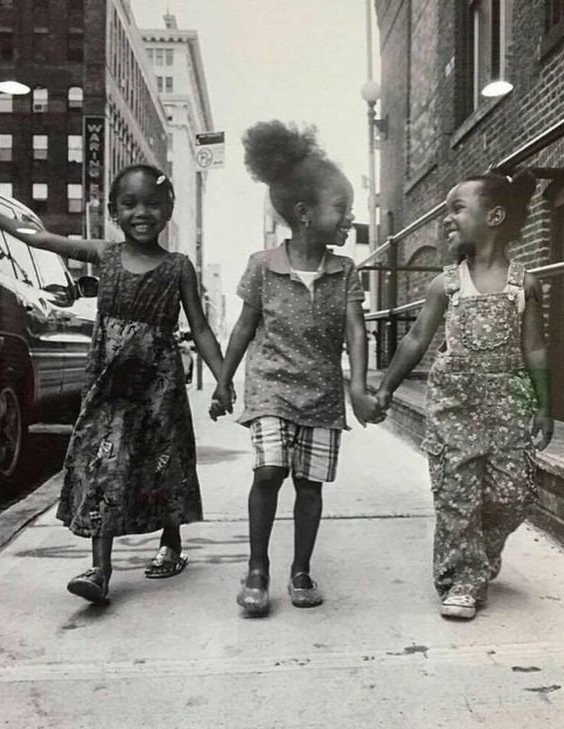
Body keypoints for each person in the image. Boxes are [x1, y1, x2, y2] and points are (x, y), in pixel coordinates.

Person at [0, 165, 232, 604]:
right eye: (130, 204)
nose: (142, 212)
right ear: (114, 212)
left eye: (154, 204)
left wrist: (222, 380)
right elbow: (39, 238)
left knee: (165, 461)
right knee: (103, 466)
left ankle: (171, 541)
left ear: (169, 211)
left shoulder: (179, 268)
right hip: (110, 386)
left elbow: (199, 328)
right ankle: (100, 569)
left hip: (159, 387)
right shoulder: (104, 255)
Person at [209, 120, 381, 617]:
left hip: (322, 393)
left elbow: (355, 330)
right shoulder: (263, 265)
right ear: (305, 215)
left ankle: (300, 569)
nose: (349, 218)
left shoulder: (344, 270)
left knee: (309, 485)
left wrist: (359, 387)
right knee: (269, 471)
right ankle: (257, 568)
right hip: (270, 388)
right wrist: (223, 382)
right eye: (341, 209)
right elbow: (243, 329)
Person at [374, 169, 553, 620]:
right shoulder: (446, 285)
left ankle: (480, 555)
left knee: (513, 496)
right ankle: (462, 578)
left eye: (457, 209)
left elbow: (534, 347)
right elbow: (415, 340)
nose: (447, 220)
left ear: (494, 215)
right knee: (457, 496)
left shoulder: (523, 284)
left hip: (509, 405)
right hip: (455, 406)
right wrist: (386, 388)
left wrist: (545, 406)